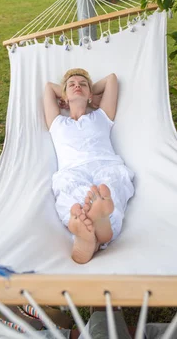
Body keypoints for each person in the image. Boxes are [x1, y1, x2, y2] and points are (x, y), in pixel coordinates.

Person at [44, 68, 134, 264]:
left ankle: (89, 234)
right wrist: (70, 93)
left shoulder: (102, 116)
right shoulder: (57, 122)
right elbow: (49, 88)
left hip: (105, 166)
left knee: (108, 188)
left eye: (83, 84)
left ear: (91, 94)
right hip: (72, 172)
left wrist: (89, 95)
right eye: (72, 85)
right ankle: (94, 233)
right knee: (71, 195)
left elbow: (111, 79)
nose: (78, 86)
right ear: (64, 97)